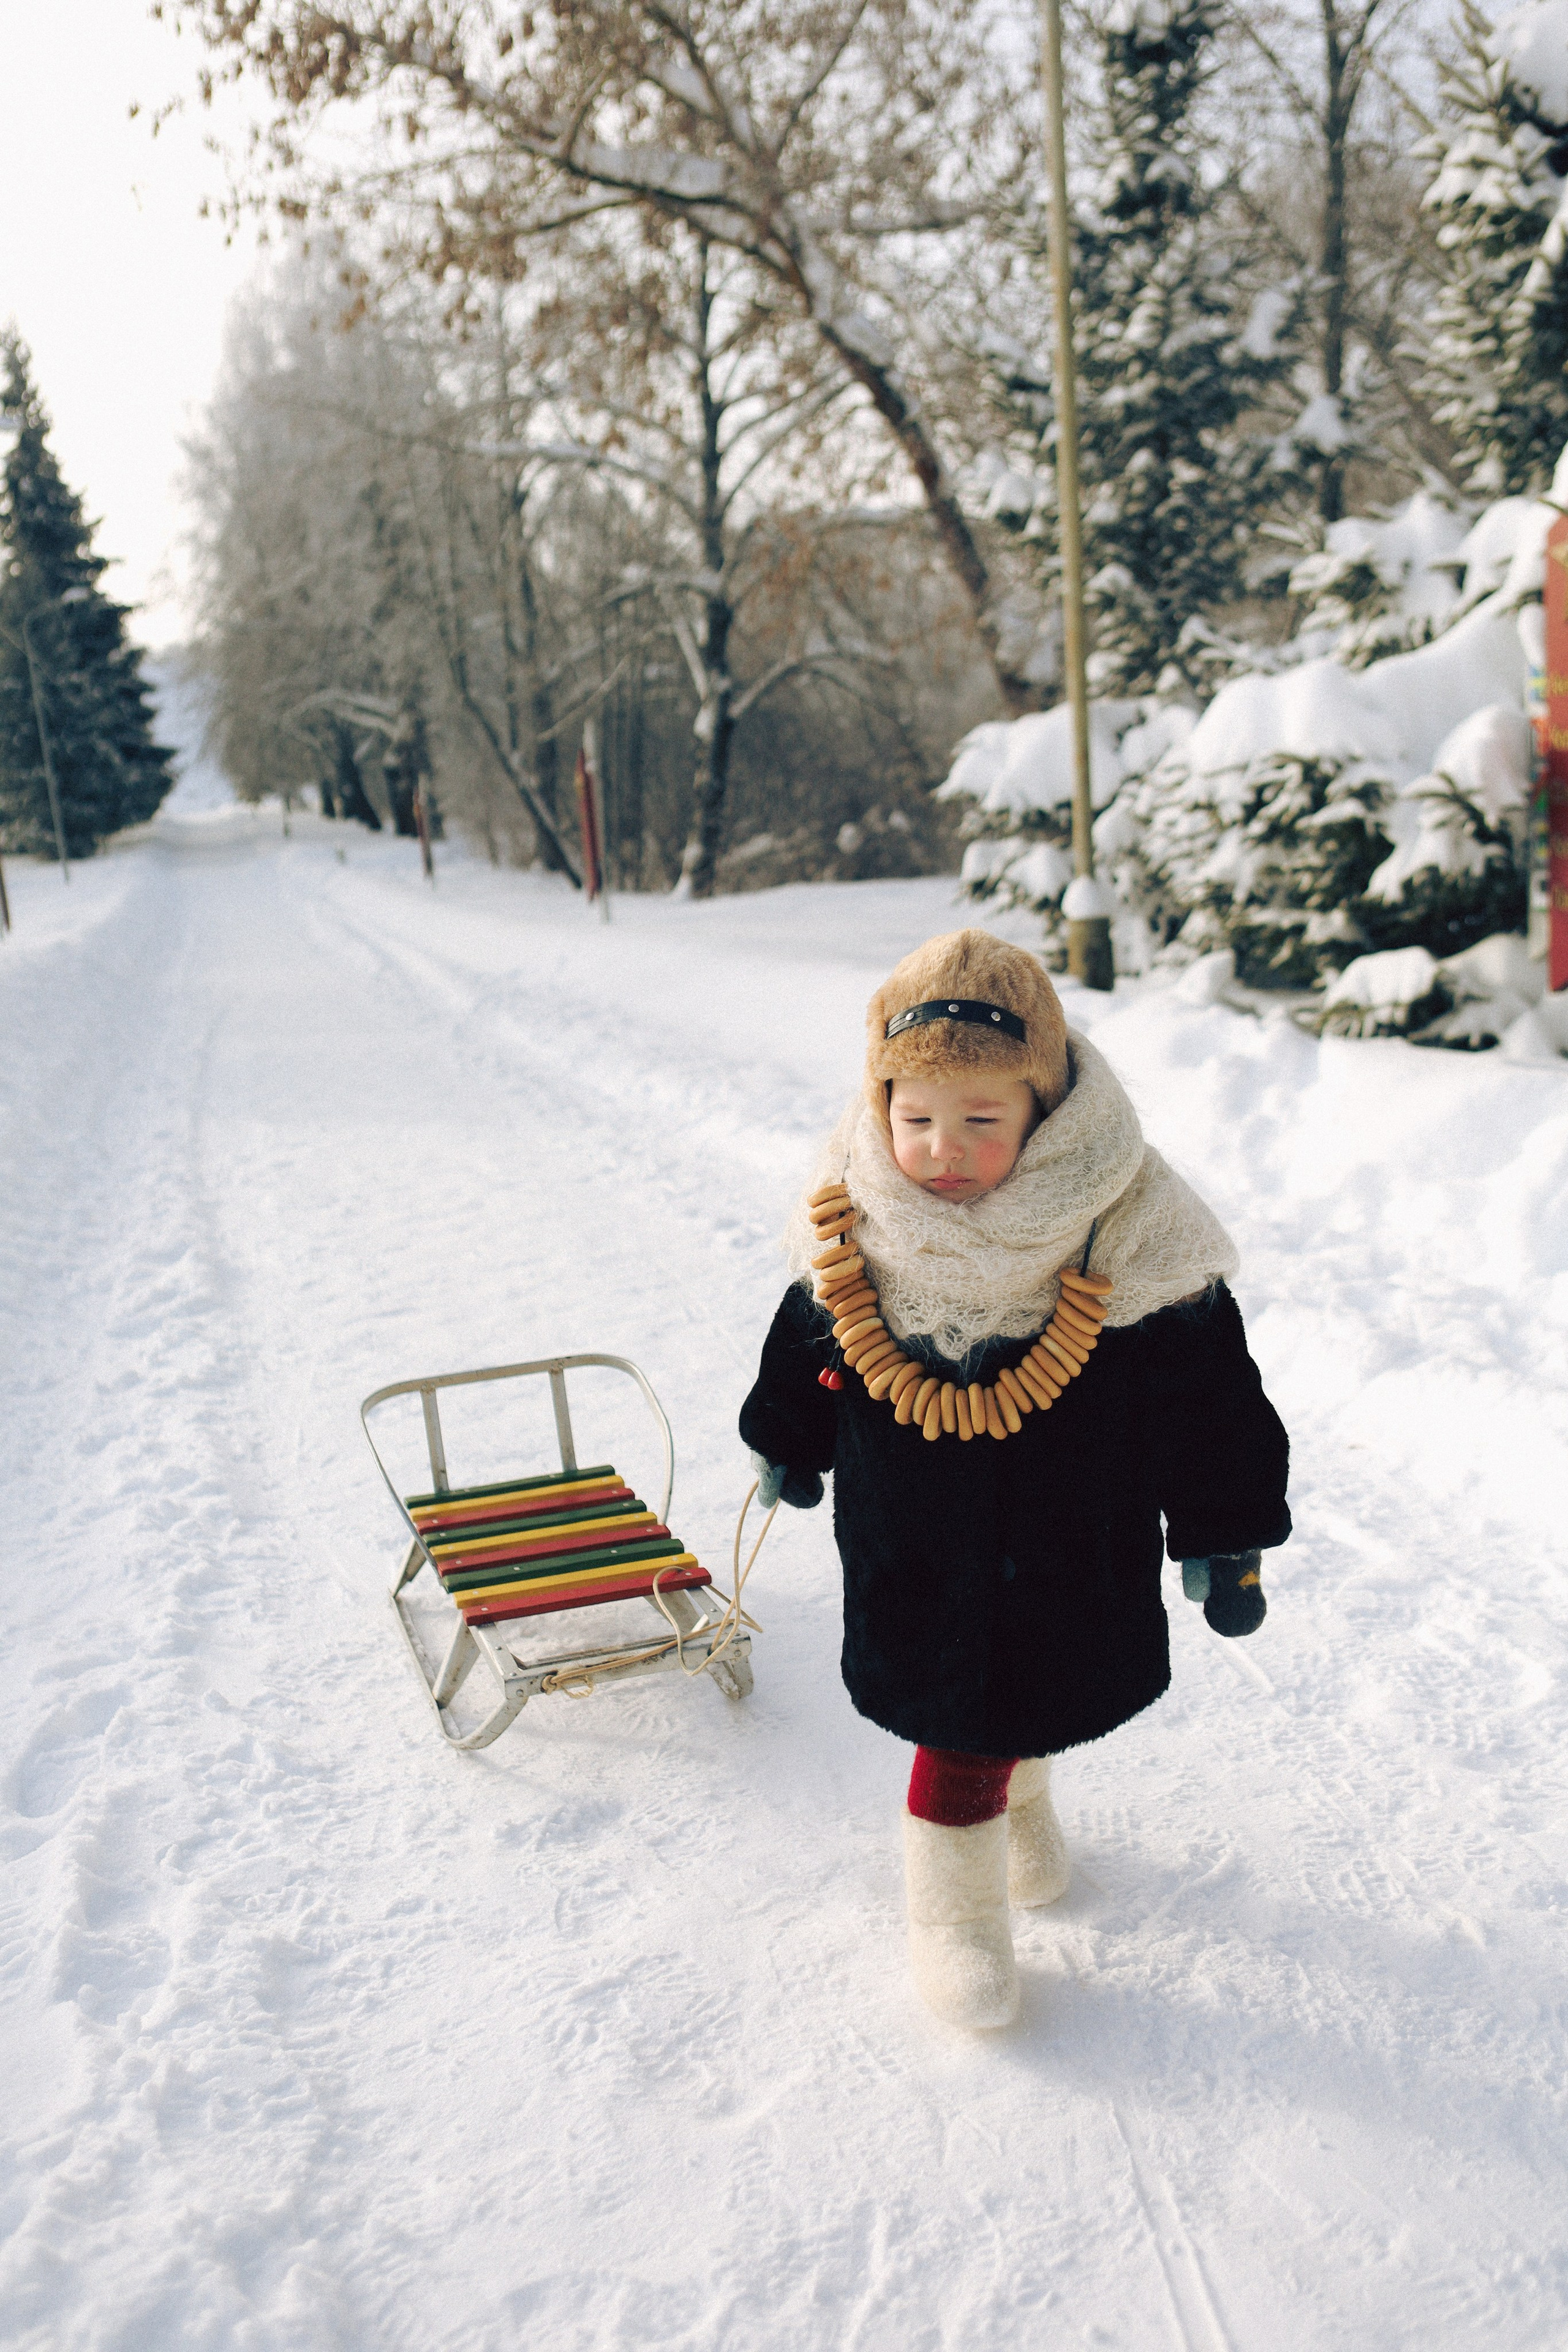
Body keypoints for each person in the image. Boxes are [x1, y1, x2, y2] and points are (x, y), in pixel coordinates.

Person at [739, 929, 1290, 2029]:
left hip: (1076, 1525)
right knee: (960, 1715)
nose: (943, 1150)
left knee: (1035, 1678)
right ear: (881, 1104)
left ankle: (1025, 1816)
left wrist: (1225, 1533)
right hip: (917, 1535)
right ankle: (954, 1922)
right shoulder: (856, 1216)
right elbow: (811, 1341)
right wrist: (787, 1439)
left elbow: (1207, 1395)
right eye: (918, 1119)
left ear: (1045, 1115)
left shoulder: (1129, 1227)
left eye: (983, 1122)